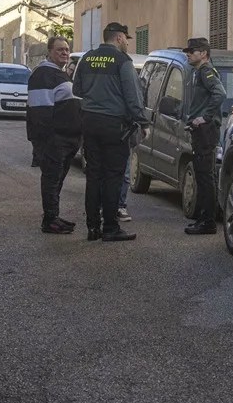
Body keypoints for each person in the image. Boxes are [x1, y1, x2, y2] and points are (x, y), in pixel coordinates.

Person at [73, 23, 149, 242]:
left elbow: (77, 89)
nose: (127, 42)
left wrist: (96, 95)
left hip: (90, 123)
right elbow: (133, 97)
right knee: (113, 176)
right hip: (115, 126)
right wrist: (143, 122)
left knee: (94, 175)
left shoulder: (87, 58)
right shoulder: (122, 61)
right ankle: (110, 227)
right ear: (118, 38)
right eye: (126, 38)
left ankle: (92, 227)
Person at [26, 36, 81, 234]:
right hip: (53, 139)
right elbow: (40, 111)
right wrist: (47, 141)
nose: (64, 53)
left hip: (67, 138)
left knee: (57, 179)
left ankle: (53, 216)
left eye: (66, 49)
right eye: (60, 50)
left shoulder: (60, 73)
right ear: (49, 52)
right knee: (51, 178)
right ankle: (50, 219)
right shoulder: (43, 74)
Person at [182, 37, 226, 235]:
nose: (188, 53)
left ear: (204, 54)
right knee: (202, 175)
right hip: (200, 131)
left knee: (206, 176)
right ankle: (203, 218)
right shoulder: (197, 71)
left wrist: (204, 117)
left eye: (192, 50)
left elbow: (220, 93)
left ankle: (208, 222)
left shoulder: (206, 71)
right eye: (188, 51)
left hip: (206, 132)